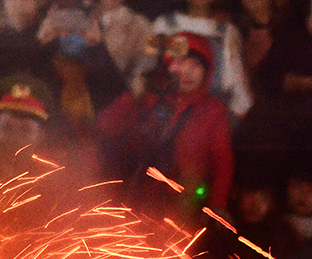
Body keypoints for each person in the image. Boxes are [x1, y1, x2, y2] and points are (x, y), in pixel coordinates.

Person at [98, 32, 233, 214]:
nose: (186, 73)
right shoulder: (149, 99)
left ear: (207, 71)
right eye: (179, 63)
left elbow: (222, 161)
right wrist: (133, 95)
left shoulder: (212, 110)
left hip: (182, 202)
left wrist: (218, 203)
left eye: (195, 66)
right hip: (138, 195)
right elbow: (106, 127)